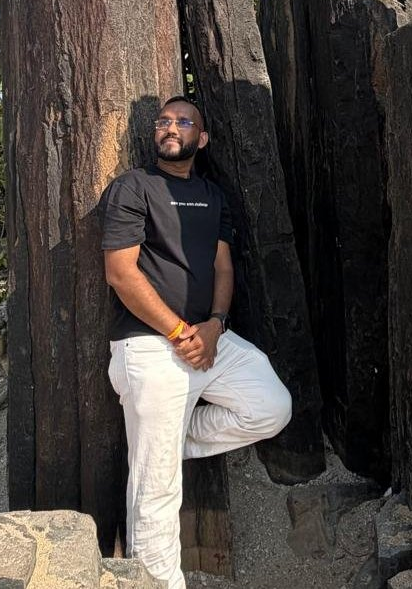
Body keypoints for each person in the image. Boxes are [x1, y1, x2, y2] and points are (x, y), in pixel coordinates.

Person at [100, 95, 292, 589]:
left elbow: (222, 267)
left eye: (183, 122)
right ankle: (159, 582)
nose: (171, 127)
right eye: (163, 121)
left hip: (208, 338)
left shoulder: (212, 195)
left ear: (201, 139)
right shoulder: (133, 187)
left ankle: (169, 443)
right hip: (149, 344)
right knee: (157, 492)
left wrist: (215, 324)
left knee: (271, 406)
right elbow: (121, 273)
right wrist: (178, 331)